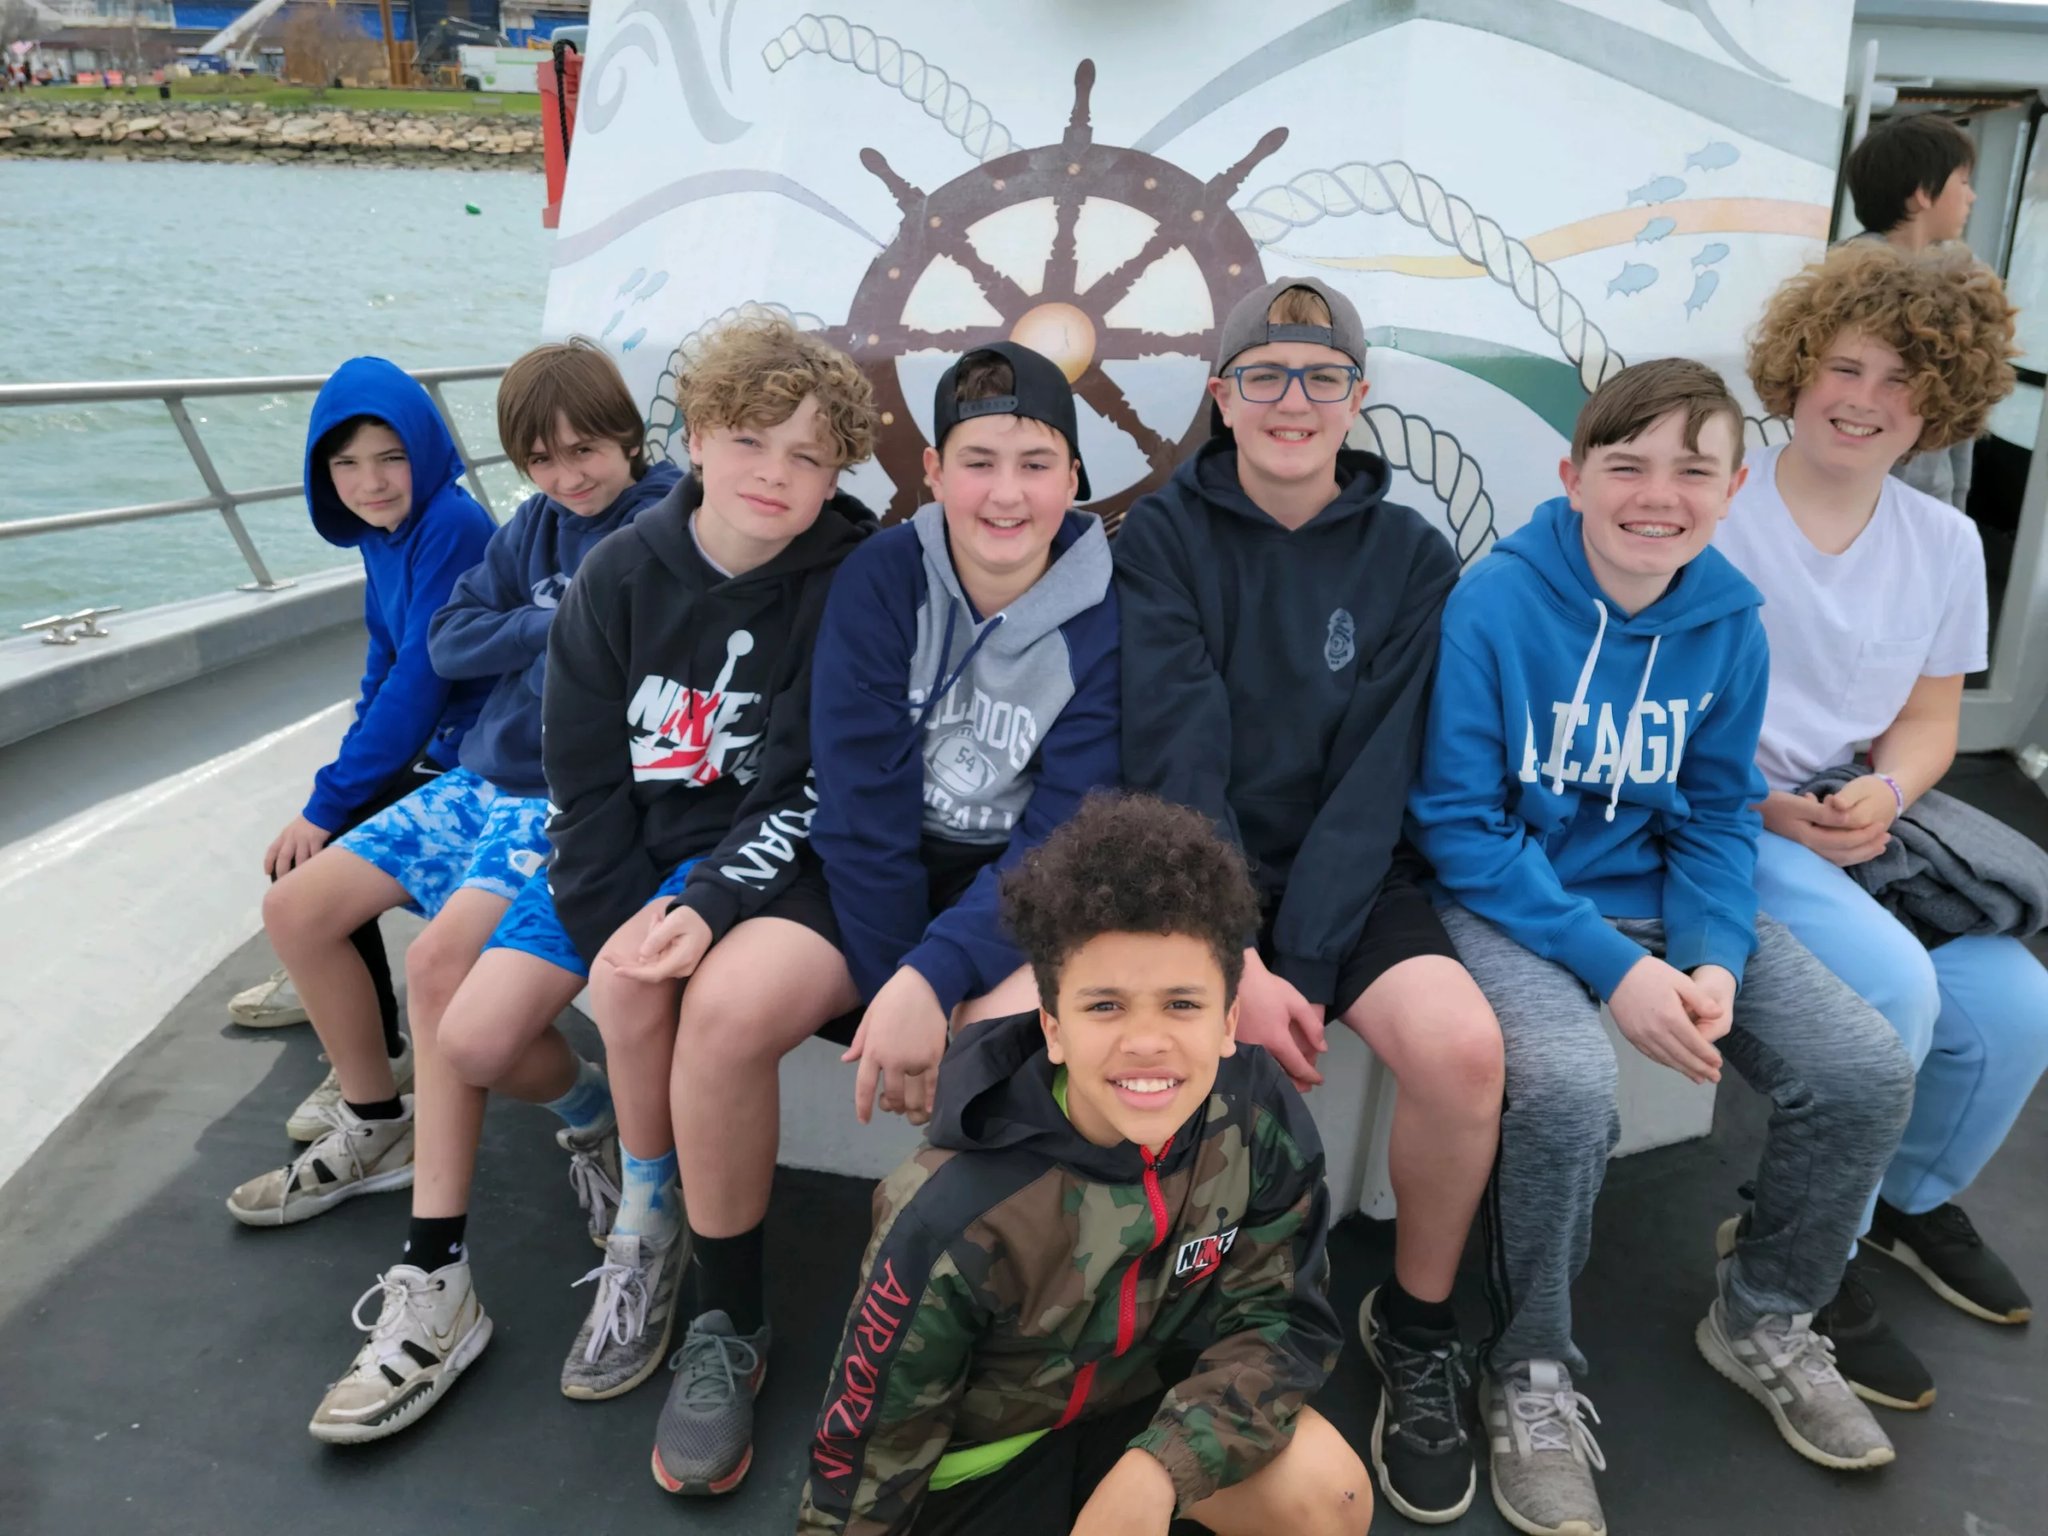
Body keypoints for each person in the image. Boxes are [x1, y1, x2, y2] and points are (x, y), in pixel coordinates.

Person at [1409, 356, 1916, 1534]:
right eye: (1625, 465)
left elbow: (1715, 814)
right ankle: (1528, 1364)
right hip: (1513, 900)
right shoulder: (1494, 603)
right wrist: (1616, 969)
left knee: (1860, 1069)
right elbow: (1459, 828)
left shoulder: (1729, 621)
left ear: (1732, 488)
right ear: (1571, 476)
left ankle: (1765, 1314)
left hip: (1657, 901)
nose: (1656, 495)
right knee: (1566, 1086)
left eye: (1691, 471)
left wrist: (1709, 957)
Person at [629, 339, 1119, 1497]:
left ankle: (992, 1342)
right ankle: (725, 1320)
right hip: (868, 873)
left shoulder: (1110, 611)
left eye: (1035, 464)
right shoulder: (881, 577)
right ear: (932, 473)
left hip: (1017, 891)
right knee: (721, 1013)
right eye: (977, 461)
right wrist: (903, 974)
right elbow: (854, 803)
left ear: (1073, 478)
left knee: (1030, 1041)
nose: (1006, 494)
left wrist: (937, 982)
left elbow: (1061, 835)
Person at [1115, 275, 1501, 1523]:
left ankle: (1417, 1327)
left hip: (1353, 873)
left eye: (1320, 377)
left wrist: (1311, 970)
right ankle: (1171, 1328)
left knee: (1462, 1052)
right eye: (1265, 377)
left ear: (1356, 397)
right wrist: (1237, 958)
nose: (1293, 400)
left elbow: (1375, 778)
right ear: (1221, 397)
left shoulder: (1410, 557)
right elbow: (1178, 761)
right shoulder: (1159, 539)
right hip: (1189, 875)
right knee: (1176, 1058)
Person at [798, 790, 1366, 1536]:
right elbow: (863, 1454)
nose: (1146, 1042)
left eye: (1182, 1004)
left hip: (1135, 1421)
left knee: (1330, 1494)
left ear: (1230, 1020)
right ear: (1053, 1027)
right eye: (1104, 1006)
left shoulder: (1257, 1116)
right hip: (979, 1475)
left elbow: (1281, 1321)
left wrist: (1161, 1469)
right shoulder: (949, 1212)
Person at [503, 317, 874, 1428]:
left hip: (782, 860)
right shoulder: (615, 577)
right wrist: (625, 921)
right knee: (587, 994)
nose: (775, 473)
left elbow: (806, 787)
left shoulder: (846, 586)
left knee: (681, 997)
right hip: (647, 855)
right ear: (698, 438)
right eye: (751, 440)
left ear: (835, 478)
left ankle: (702, 1280)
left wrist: (705, 906)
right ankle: (647, 1198)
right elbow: (582, 783)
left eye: (808, 457)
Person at [225, 339, 670, 1257]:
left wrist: (526, 627)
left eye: (585, 449)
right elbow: (447, 642)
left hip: (565, 795)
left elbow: (623, 630)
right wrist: (553, 621)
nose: (567, 476)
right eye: (541, 460)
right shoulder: (533, 526)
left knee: (439, 969)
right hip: (483, 773)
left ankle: (454, 1241)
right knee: (295, 907)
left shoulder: (665, 523)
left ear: (628, 436)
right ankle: (374, 1117)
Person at [1714, 241, 2041, 1415]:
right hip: (1724, 819)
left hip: (1863, 825)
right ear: (1796, 367)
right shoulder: (1711, 503)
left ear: (1941, 403)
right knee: (1893, 990)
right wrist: (1769, 808)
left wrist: (1888, 794)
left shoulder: (1940, 542)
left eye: (1903, 383)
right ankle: (1803, 1255)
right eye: (1844, 368)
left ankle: (1898, 1202)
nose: (1864, 401)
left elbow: (1929, 720)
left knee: (2013, 1005)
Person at [231, 358, 495, 1113]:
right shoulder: (383, 533)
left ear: (425, 450)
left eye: (390, 457)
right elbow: (383, 659)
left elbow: (421, 681)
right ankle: (326, 978)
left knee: (320, 844)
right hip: (436, 740)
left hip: (477, 752)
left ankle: (379, 1047)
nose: (370, 482)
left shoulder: (450, 525)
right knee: (315, 838)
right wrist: (345, 771)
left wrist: (330, 802)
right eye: (345, 464)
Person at [1843, 112, 1980, 509]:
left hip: (1915, 500)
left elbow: (1959, 409)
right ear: (1923, 192)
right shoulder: (1856, 284)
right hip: (1874, 501)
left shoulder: (1955, 281)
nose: (1972, 197)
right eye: (1963, 182)